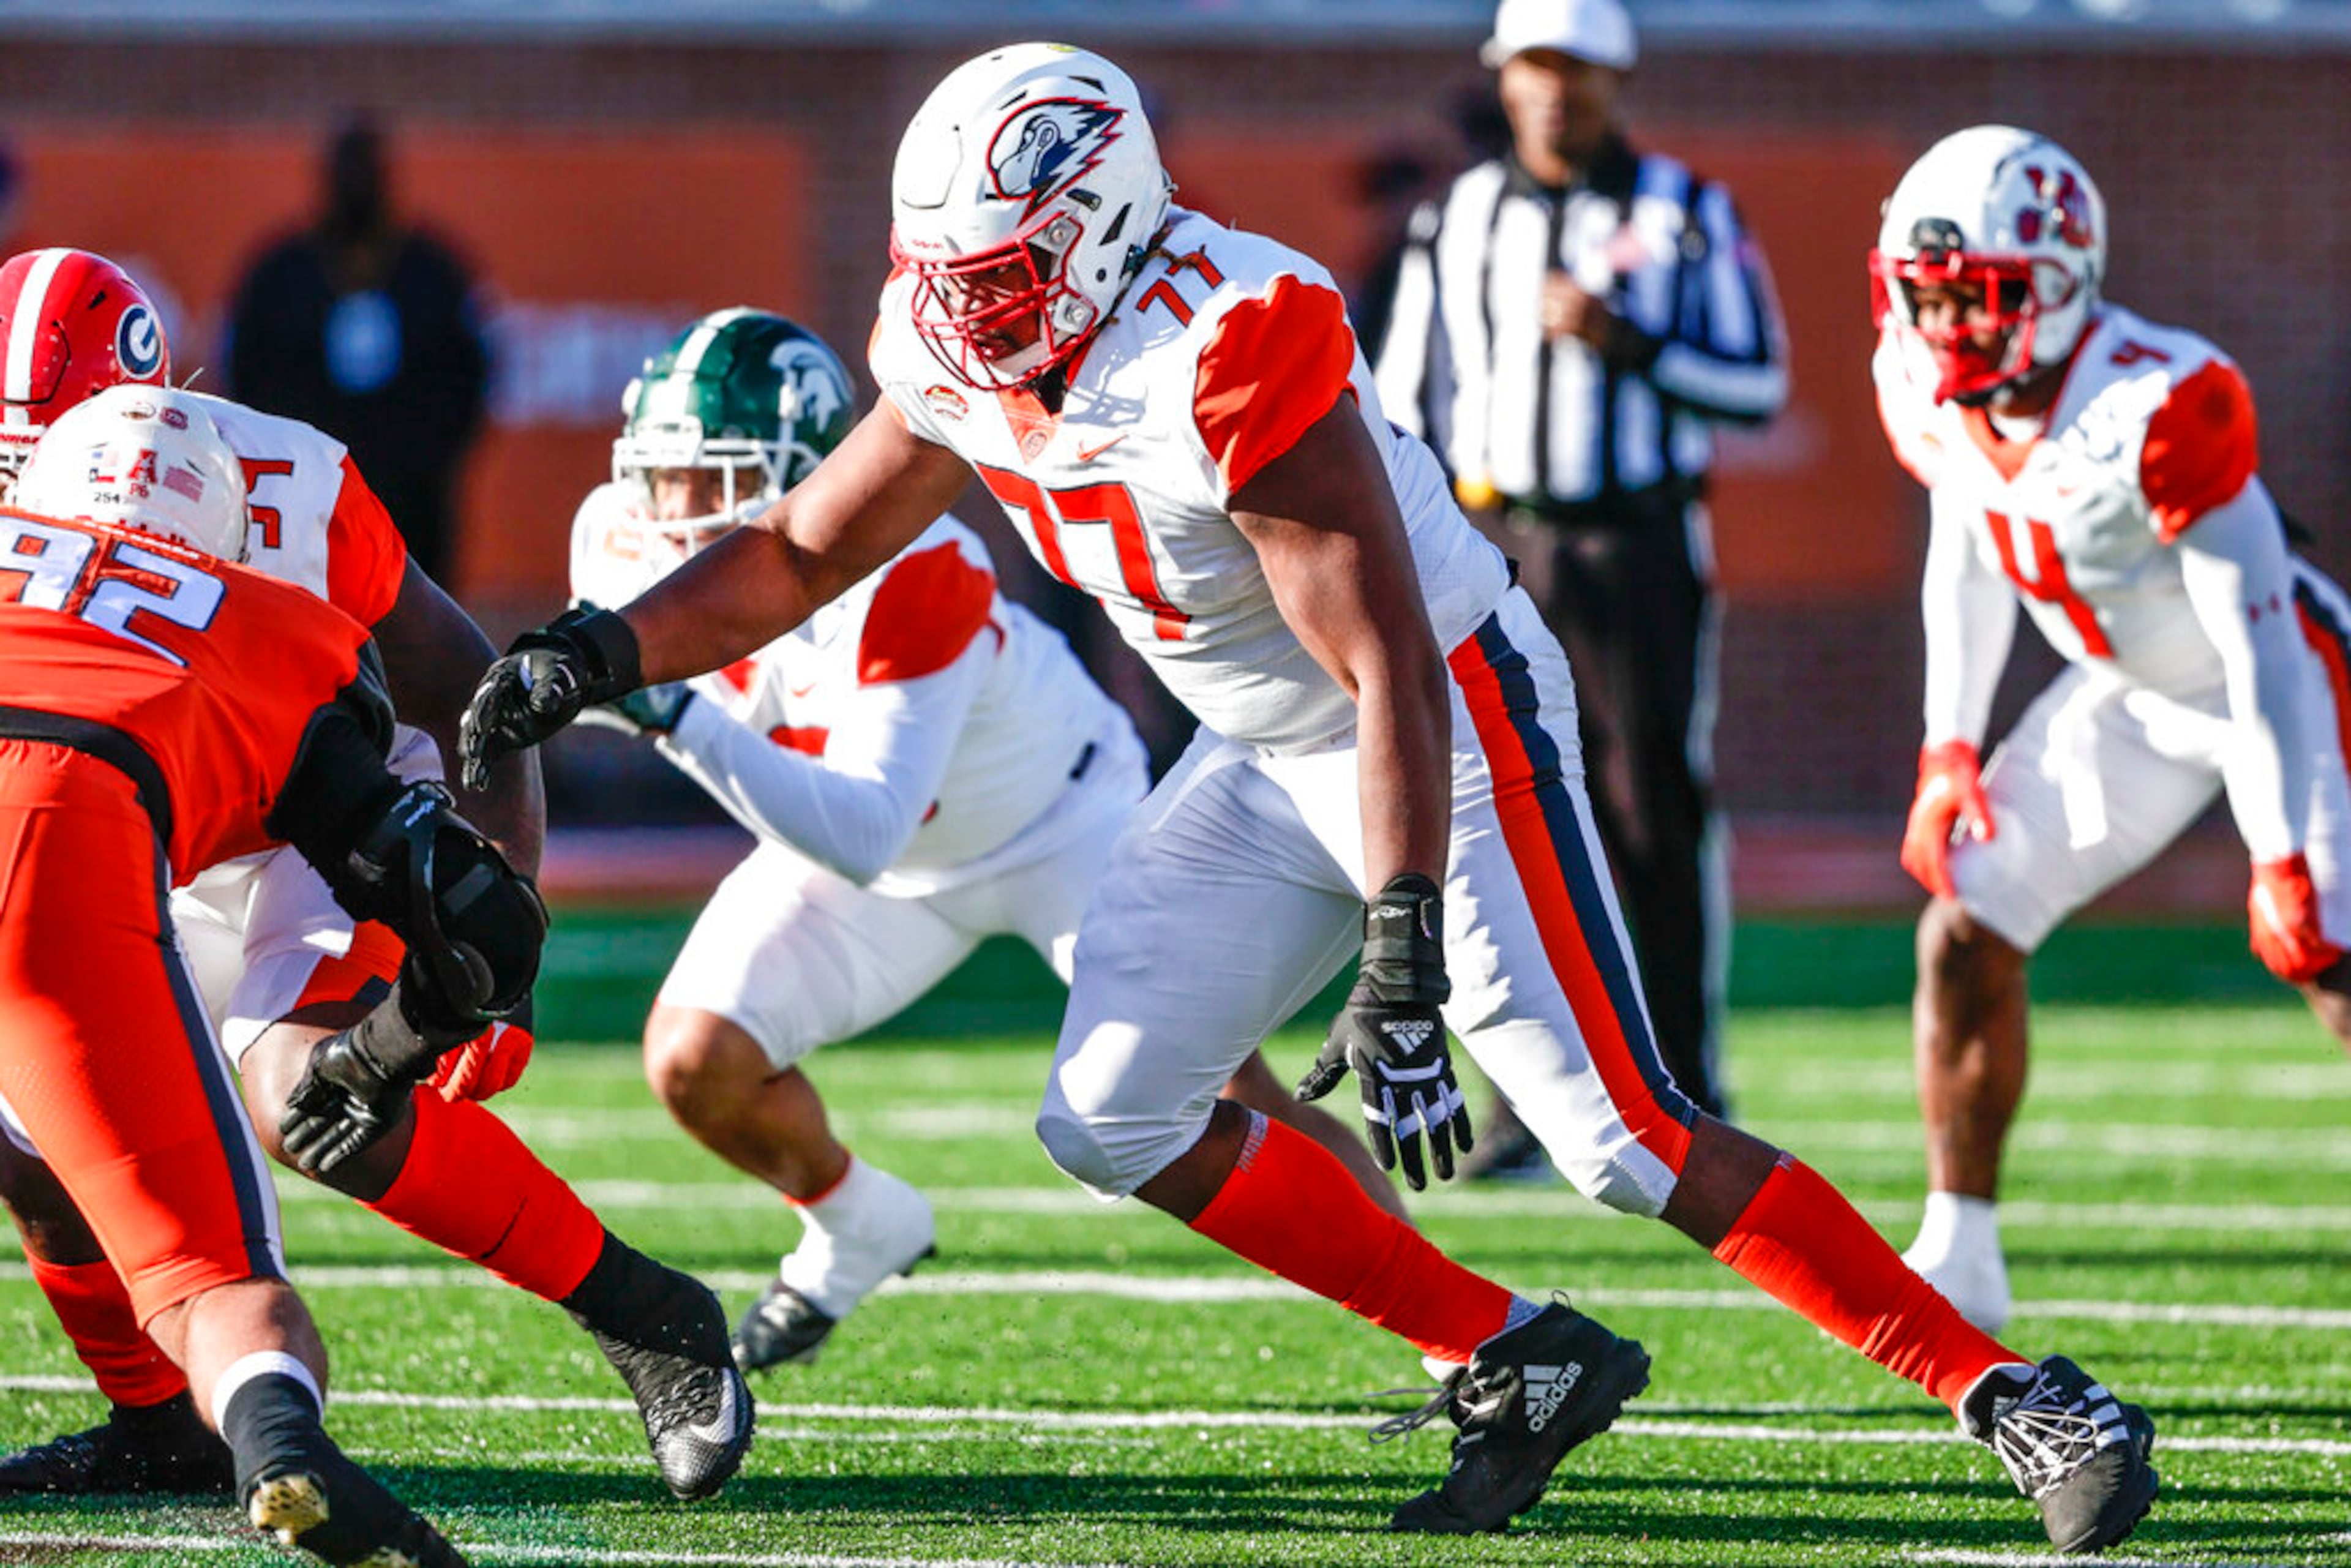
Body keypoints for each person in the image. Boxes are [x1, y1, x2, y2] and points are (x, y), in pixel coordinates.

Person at [461, 43, 2157, 1552]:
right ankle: (1510, 1353)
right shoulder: (967, 340)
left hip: (1448, 720)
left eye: (1004, 275)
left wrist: (1400, 947)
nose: (969, 314)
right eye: (951, 278)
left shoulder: (1227, 341)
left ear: (1101, 227)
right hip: (1264, 745)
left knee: (1616, 1134)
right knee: (1109, 1111)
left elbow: (1389, 664)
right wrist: (595, 653)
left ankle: (2019, 1392)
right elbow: (800, 547)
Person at [0, 248, 754, 1508]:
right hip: (141, 812)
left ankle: (648, 1311)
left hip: (323, 804)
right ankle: (160, 1420)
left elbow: (460, 680)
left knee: (310, 1093)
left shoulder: (286, 485)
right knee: (33, 1124)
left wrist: (500, 919)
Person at [574, 307, 1411, 1370]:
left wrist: (674, 717)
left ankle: (1441, 1321)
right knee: (698, 1061)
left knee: (1226, 1090)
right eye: (663, 477)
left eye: (714, 480)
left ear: (805, 471)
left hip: (1060, 827)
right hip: (874, 855)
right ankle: (857, 1224)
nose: (678, 511)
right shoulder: (615, 537)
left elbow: (865, 825)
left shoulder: (915, 567)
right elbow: (852, 830)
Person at [0, 384, 542, 1563]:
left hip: (69, 855)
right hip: (61, 869)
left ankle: (182, 1432)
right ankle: (279, 1442)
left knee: (29, 1149)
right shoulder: (255, 619)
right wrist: (414, 1027)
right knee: (212, 1276)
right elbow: (442, 888)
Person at [1871, 126, 2351, 1335]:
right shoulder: (1919, 382)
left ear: (2058, 283)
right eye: (1927, 296)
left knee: (2331, 958)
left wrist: (2282, 857)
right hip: (2132, 694)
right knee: (1964, 928)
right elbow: (1965, 544)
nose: (1945, 326)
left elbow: (2258, 635)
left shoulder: (2160, 399)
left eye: (1976, 298)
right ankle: (1962, 1253)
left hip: (2285, 686)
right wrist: (1947, 748)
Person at [1374, 0, 1787, 1150]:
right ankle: (1529, 1102)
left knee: (1652, 807)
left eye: (1580, 69)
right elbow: (1402, 402)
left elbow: (1759, 386)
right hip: (1495, 545)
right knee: (1503, 817)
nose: (1558, 91)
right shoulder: (1454, 217)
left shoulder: (1687, 212)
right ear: (1504, 78)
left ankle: (1686, 1081)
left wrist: (1631, 345)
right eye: (1538, 67)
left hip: (1636, 543)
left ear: (1619, 79)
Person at [225, 114, 489, 585]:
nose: (357, 184)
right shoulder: (282, 273)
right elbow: (246, 370)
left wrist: (426, 459)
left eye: (366, 170)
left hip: (411, 498)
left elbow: (469, 373)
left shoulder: (431, 271)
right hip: (305, 491)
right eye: (347, 171)